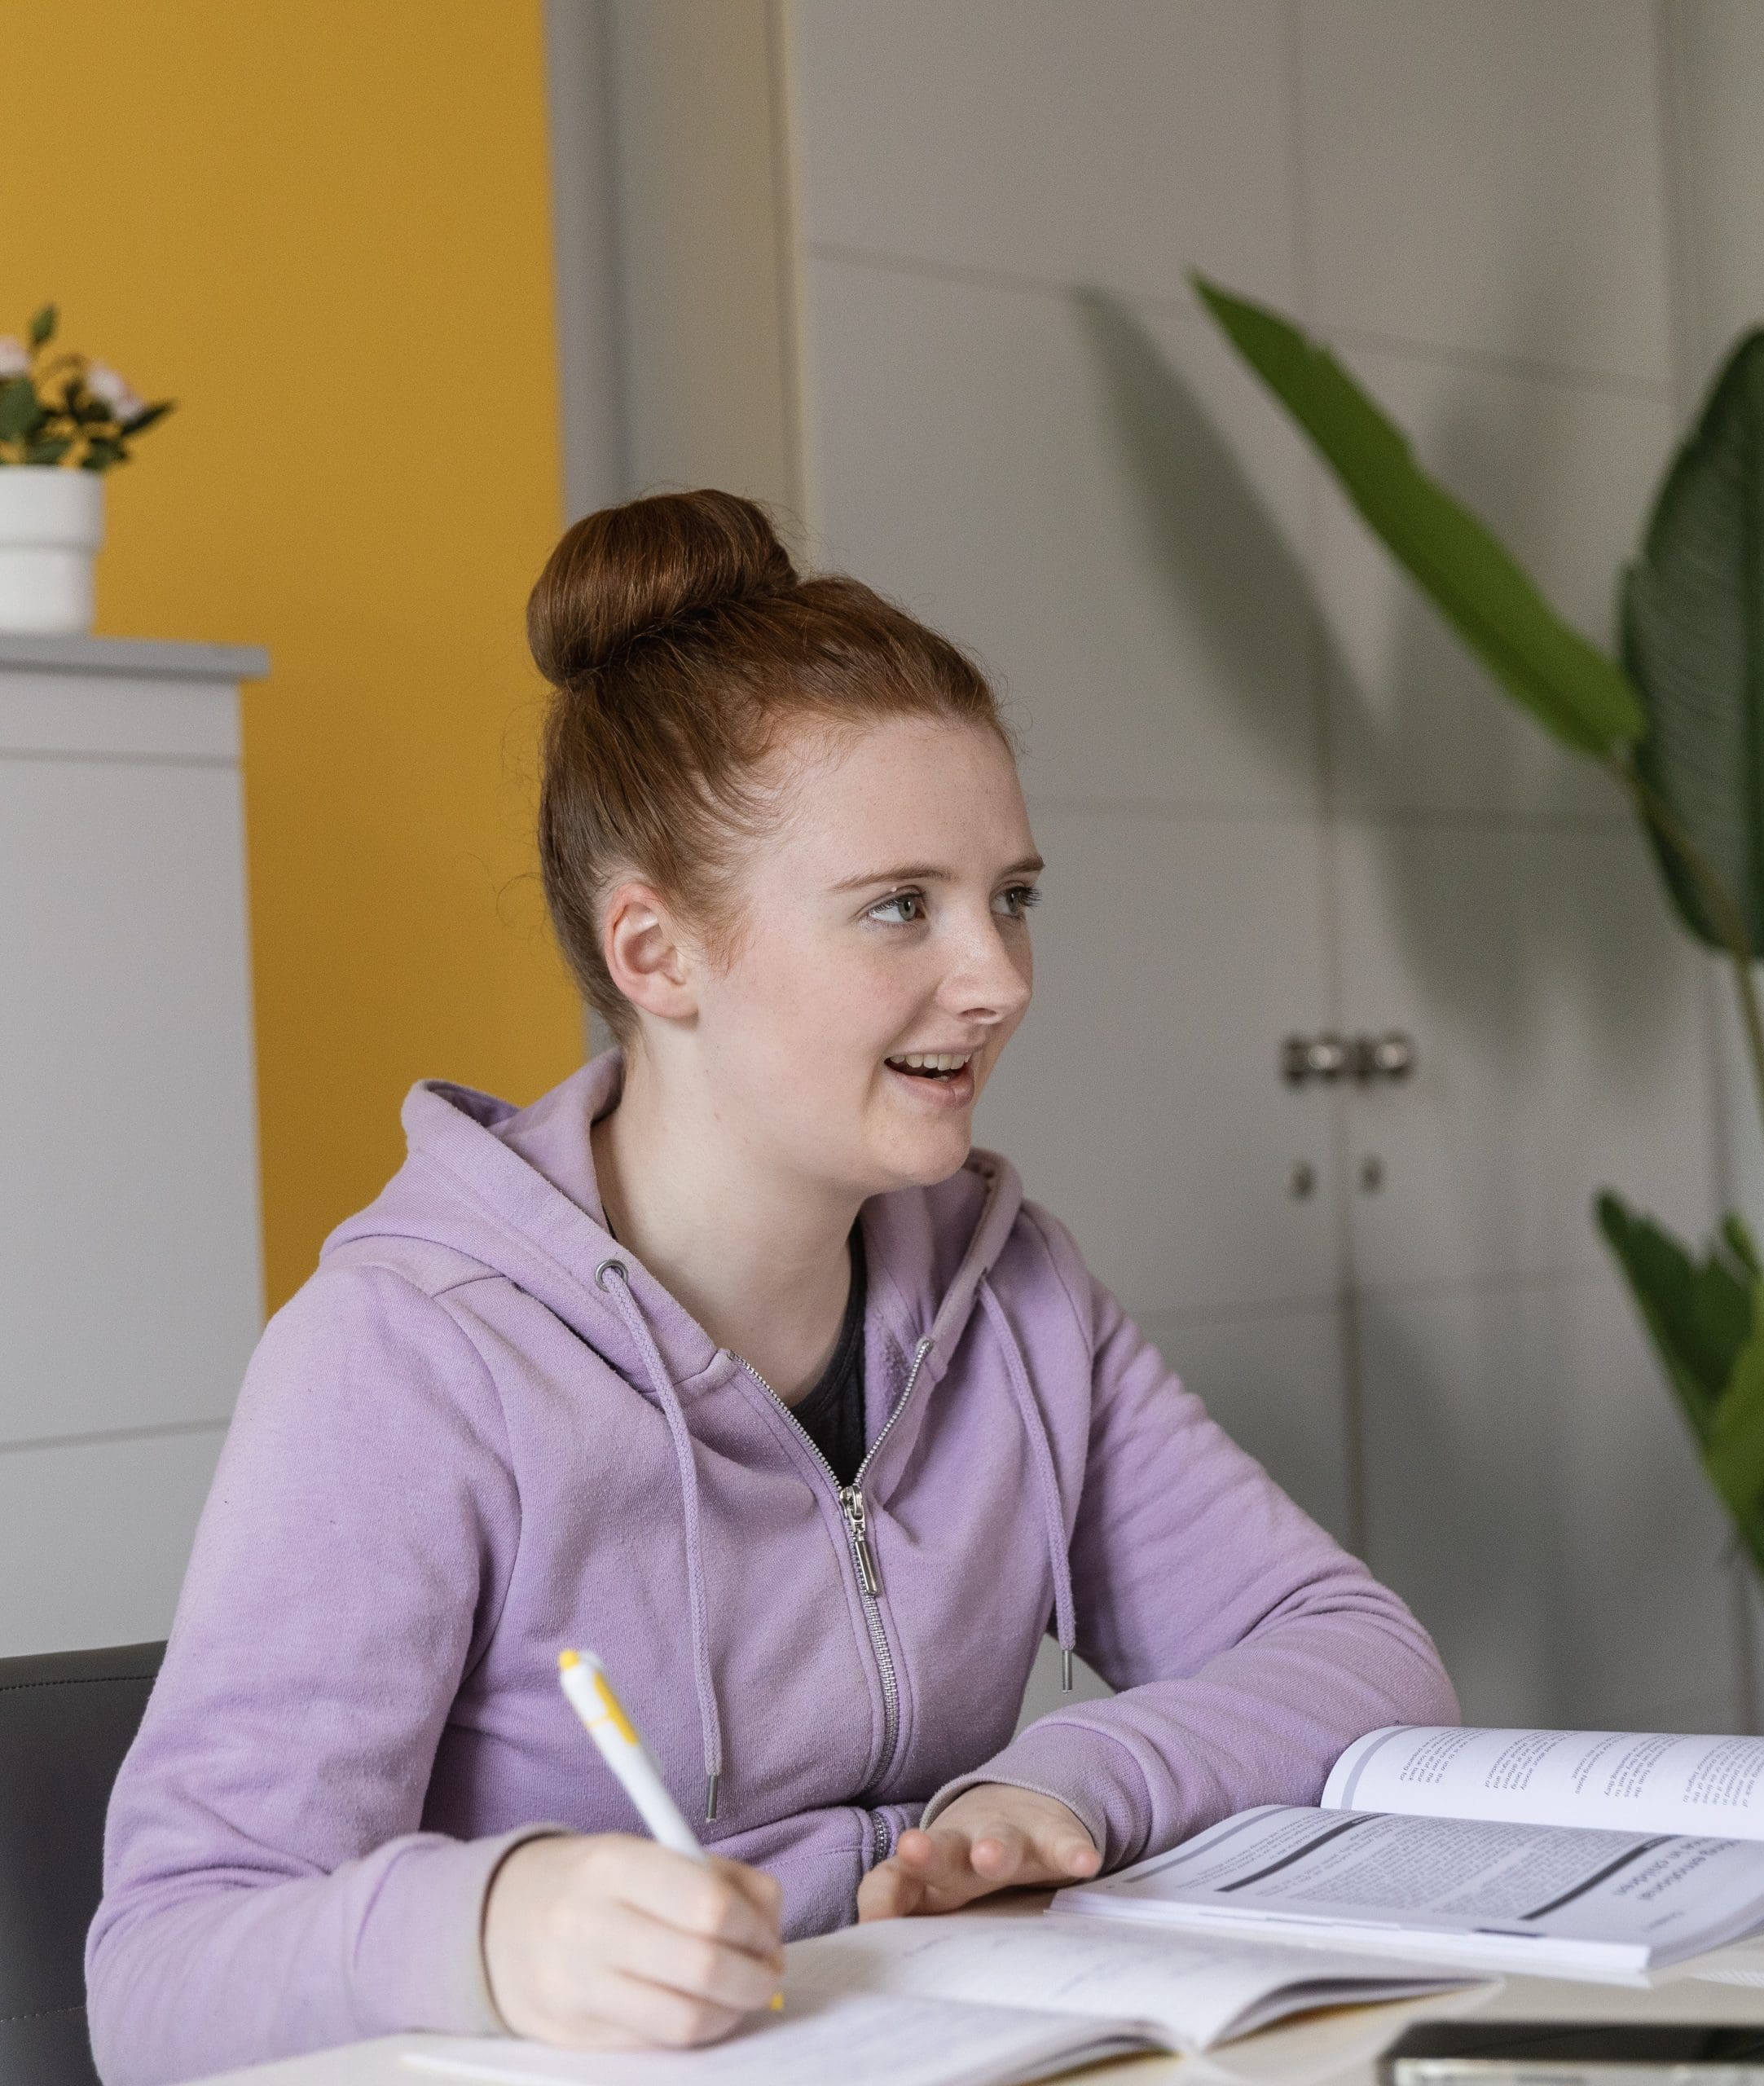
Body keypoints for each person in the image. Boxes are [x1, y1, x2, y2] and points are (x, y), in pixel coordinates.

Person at [85, 491, 1456, 2083]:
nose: (997, 976)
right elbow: (161, 1973)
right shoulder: (408, 1354)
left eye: (1009, 893)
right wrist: (494, 1923)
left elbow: (1351, 1646)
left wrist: (1052, 1789)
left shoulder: (1010, 1291)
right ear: (656, 954)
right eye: (901, 906)